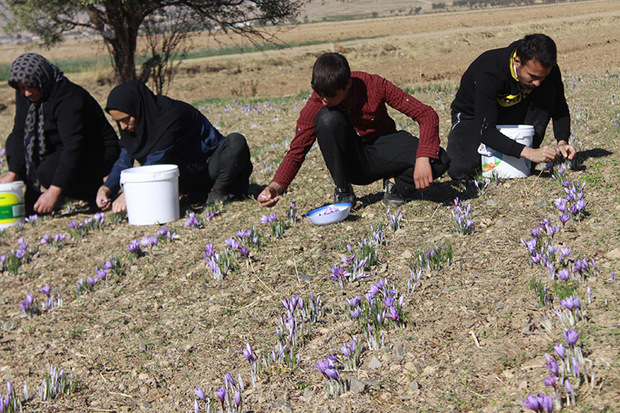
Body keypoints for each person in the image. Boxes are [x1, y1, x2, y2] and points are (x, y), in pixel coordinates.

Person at [258, 52, 449, 208]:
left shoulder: (374, 85)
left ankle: (395, 185)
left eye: (331, 96)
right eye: (320, 94)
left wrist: (423, 156)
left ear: (347, 84)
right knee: (327, 119)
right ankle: (343, 190)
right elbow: (296, 151)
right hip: (354, 162)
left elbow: (426, 114)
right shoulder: (318, 102)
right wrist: (275, 186)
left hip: (383, 147)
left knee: (438, 160)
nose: (324, 100)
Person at [96, 80, 252, 212]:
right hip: (185, 177)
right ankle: (193, 195)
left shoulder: (171, 115)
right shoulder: (134, 127)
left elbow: (156, 160)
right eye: (118, 122)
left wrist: (129, 194)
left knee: (235, 142)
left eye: (126, 119)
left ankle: (219, 191)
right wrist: (106, 188)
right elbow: (124, 160)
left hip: (210, 166)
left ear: (138, 109)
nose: (122, 127)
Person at [0, 53, 120, 214]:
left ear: (41, 80)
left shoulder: (69, 99)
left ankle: (92, 191)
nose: (27, 93)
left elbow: (74, 147)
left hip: (96, 150)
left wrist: (54, 191)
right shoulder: (27, 95)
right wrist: (13, 173)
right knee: (19, 145)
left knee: (47, 172)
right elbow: (20, 132)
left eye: (30, 87)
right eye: (22, 88)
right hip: (60, 147)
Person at [446, 33, 577, 180]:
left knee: (547, 91)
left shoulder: (544, 69)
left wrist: (562, 141)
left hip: (510, 111)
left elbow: (559, 106)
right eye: (532, 76)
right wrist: (530, 153)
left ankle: (524, 157)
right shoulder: (489, 70)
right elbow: (485, 130)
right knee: (460, 169)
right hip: (473, 116)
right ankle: (524, 155)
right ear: (517, 61)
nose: (537, 83)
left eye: (543, 77)